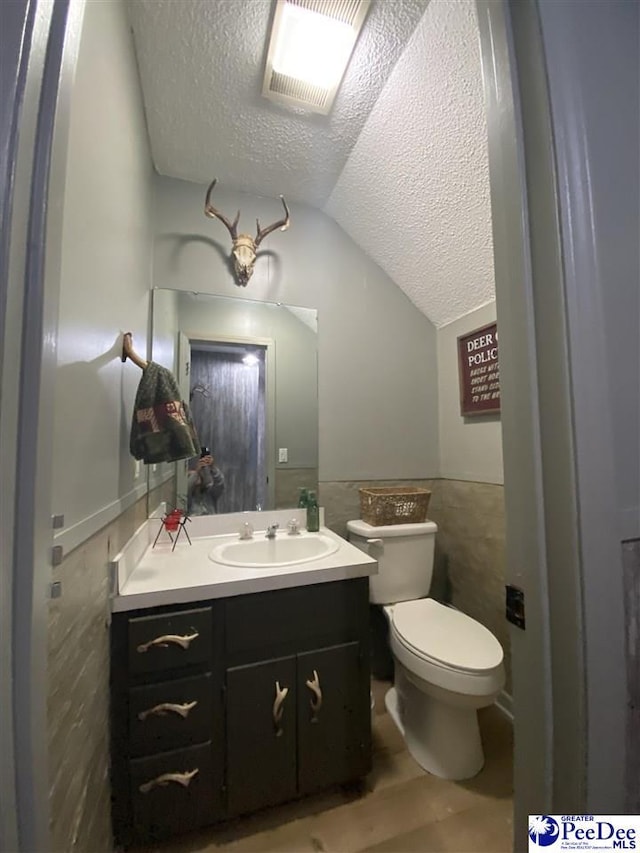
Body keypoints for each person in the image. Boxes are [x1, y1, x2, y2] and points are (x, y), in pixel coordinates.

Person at [187, 448, 225, 515]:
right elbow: (186, 491)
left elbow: (220, 484)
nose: (201, 476)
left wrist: (213, 468)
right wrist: (196, 473)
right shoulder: (190, 497)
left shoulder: (210, 493)